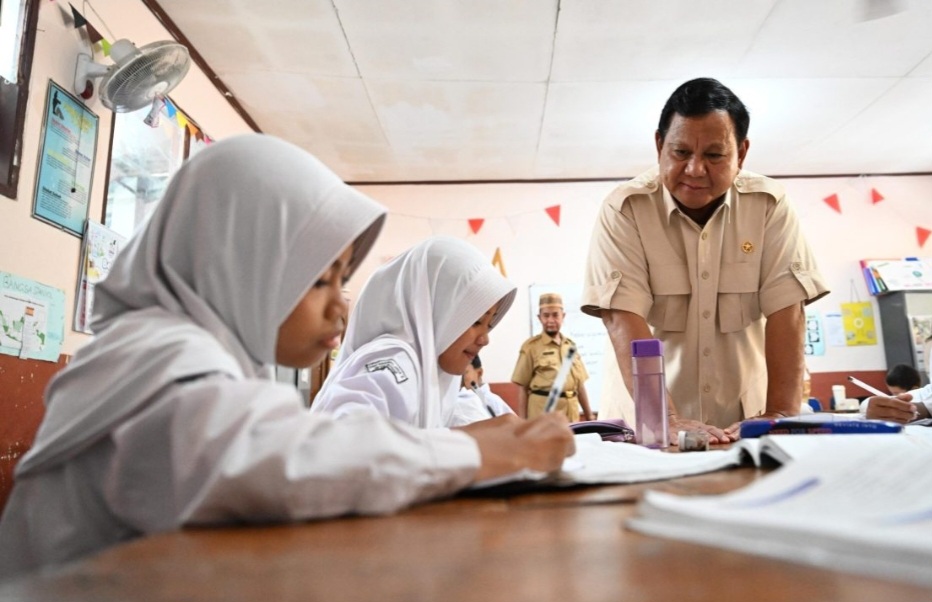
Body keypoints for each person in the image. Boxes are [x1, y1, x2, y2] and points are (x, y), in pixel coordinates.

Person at [0, 135, 574, 578]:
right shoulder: (155, 356)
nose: (341, 311)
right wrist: (467, 453)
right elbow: (278, 462)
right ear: (239, 265)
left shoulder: (202, 358)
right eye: (319, 281)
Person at [581, 77, 829, 443]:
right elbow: (621, 316)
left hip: (745, 426)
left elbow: (787, 311)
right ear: (659, 145)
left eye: (714, 155)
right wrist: (664, 419)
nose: (696, 169)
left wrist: (779, 413)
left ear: (741, 154)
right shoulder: (625, 209)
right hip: (645, 426)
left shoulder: (769, 206)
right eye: (681, 153)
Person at [310, 236, 519, 429]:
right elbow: (343, 446)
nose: (485, 339)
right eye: (476, 321)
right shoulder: (393, 365)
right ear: (436, 311)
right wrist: (465, 443)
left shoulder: (434, 374)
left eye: (489, 325)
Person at [512, 293, 594, 422]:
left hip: (571, 413)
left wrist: (589, 415)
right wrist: (522, 422)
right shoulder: (531, 347)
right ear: (539, 318)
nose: (550, 320)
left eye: (555, 315)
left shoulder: (570, 346)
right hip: (543, 413)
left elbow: (580, 385)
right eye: (546, 315)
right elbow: (523, 387)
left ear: (563, 316)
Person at [452, 355, 516, 425]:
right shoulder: (452, 400)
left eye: (463, 374)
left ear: (479, 373)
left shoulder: (492, 401)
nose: (458, 380)